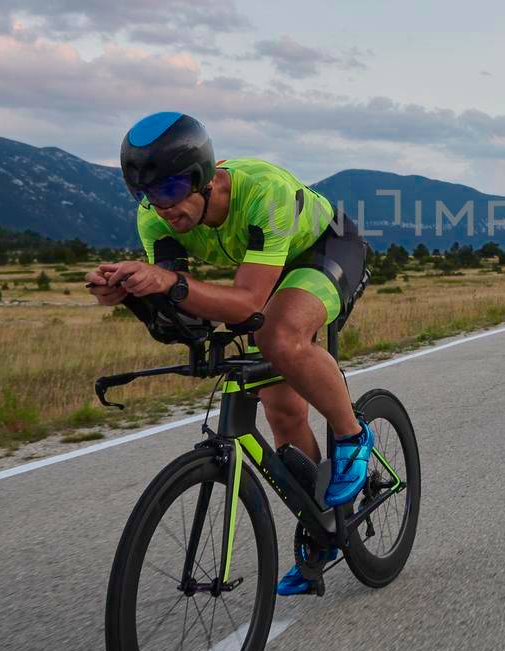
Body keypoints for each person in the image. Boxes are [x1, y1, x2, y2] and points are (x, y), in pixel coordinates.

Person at [85, 111, 369, 595]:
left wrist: (169, 282)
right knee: (282, 411)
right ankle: (323, 529)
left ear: (204, 178)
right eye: (146, 195)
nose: (162, 206)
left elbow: (247, 302)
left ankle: (352, 437)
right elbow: (186, 316)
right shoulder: (156, 221)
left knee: (278, 338)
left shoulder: (263, 192)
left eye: (171, 189)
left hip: (324, 250)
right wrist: (134, 295)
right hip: (259, 269)